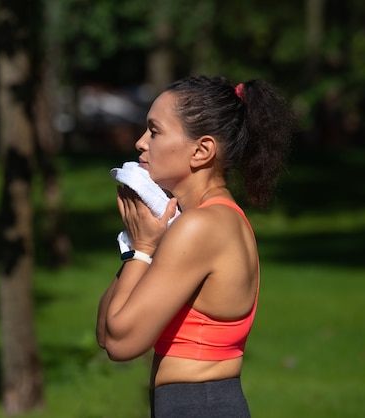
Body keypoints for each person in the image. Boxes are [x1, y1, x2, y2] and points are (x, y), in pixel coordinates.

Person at [96, 75, 296, 417]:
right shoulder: (212, 219)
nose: (140, 143)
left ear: (201, 150)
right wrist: (136, 248)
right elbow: (105, 329)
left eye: (155, 131)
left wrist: (143, 249)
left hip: (200, 405)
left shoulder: (201, 226)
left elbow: (120, 343)